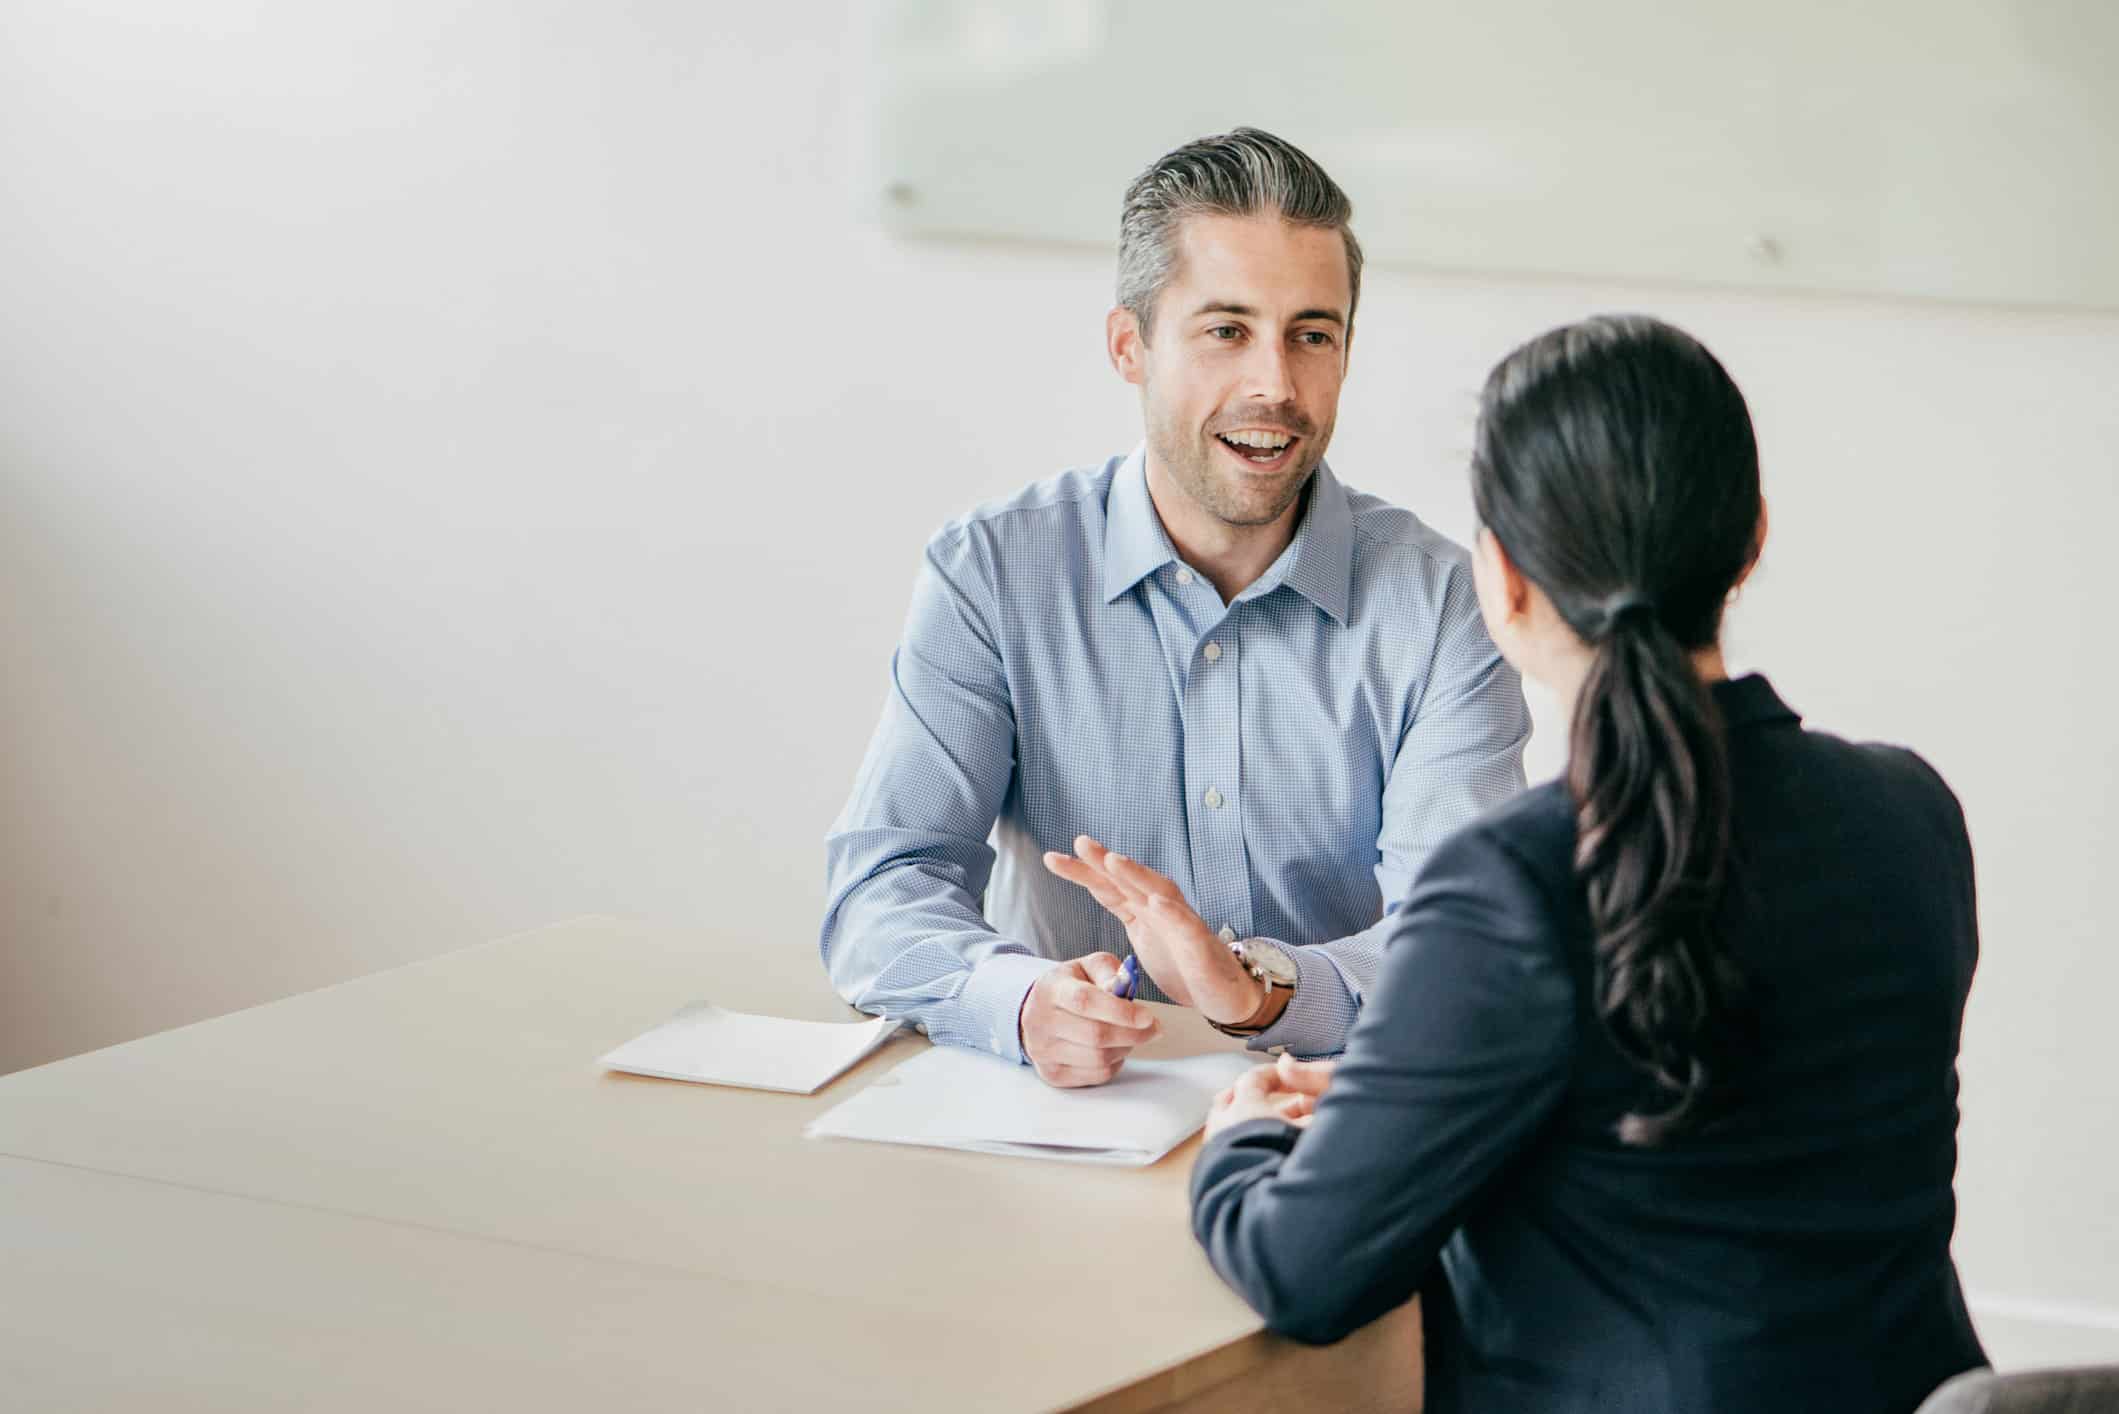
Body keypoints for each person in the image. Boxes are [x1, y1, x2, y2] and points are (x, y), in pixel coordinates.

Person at [1069, 315, 1987, 1410]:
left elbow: (1303, 1271)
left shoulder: (1511, 882)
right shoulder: (1908, 811)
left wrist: (1246, 1136)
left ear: (1500, 580)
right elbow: (1715, 1126)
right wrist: (1410, 1092)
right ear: (1751, 540)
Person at [820, 128, 1530, 1086]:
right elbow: (883, 885)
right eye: (1226, 331)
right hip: (1066, 1115)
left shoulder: (1443, 604)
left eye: (1311, 335)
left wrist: (1261, 991)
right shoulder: (992, 571)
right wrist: (1016, 1002)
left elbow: (1461, 944)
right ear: (1130, 346)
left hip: (1336, 1117)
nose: (1275, 385)